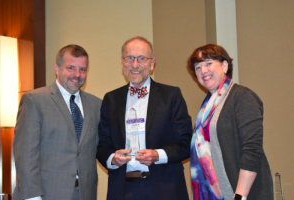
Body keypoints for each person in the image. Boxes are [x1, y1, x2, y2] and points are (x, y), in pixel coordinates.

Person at [96, 36, 192, 200]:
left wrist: (157, 155)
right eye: (129, 58)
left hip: (165, 189)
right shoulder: (110, 99)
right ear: (122, 63)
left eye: (142, 58)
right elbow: (102, 145)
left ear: (152, 63)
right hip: (122, 189)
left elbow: (185, 143)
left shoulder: (171, 95)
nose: (135, 64)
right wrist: (113, 158)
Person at [13, 45, 101, 200]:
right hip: (46, 193)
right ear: (57, 68)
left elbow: (101, 147)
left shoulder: (96, 105)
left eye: (82, 69)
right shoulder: (34, 100)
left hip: (85, 194)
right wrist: (33, 197)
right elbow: (26, 155)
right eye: (71, 68)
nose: (77, 74)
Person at [188, 44, 273, 200]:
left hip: (242, 194)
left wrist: (240, 196)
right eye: (198, 67)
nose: (203, 71)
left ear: (225, 65)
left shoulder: (242, 96)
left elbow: (252, 150)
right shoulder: (207, 107)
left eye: (208, 63)